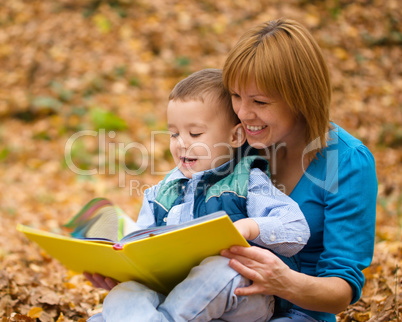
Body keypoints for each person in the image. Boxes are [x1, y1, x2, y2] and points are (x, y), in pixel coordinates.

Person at [86, 68, 310, 321]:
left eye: (195, 134)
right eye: (174, 133)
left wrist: (249, 227)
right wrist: (122, 269)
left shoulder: (247, 181)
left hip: (240, 296)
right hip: (173, 293)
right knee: (124, 294)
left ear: (235, 136)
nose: (181, 143)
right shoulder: (160, 194)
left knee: (220, 268)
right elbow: (138, 251)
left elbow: (296, 229)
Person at [219, 18, 377, 322]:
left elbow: (341, 290)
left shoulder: (345, 162)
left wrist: (283, 282)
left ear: (301, 98)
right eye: (235, 96)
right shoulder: (237, 141)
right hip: (221, 302)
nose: (242, 112)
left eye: (260, 101)